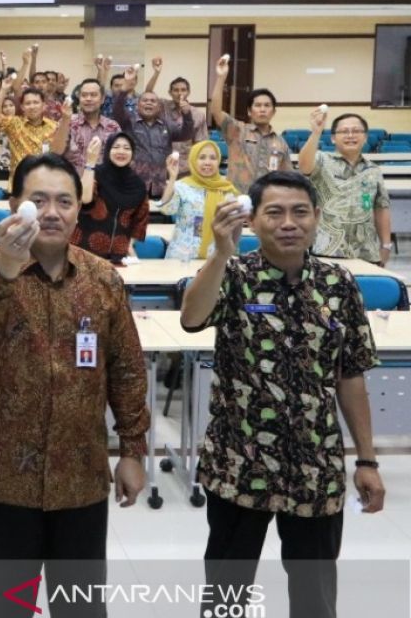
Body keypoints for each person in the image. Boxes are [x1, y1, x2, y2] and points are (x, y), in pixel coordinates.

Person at [179, 171, 386, 618]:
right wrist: (220, 253)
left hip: (315, 466)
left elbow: (351, 375)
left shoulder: (338, 283)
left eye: (300, 212)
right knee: (226, 594)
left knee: (314, 596)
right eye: (274, 212)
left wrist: (367, 460)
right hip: (239, 464)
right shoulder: (233, 273)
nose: (288, 222)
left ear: (317, 217)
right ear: (254, 221)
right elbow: (192, 319)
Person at [0, 153, 149, 618]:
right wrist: (8, 264)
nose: (51, 212)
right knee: (8, 608)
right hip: (5, 477)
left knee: (79, 607)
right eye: (37, 200)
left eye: (64, 201)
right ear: (14, 203)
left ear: (78, 210)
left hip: (80, 476)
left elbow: (125, 366)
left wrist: (132, 450)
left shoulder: (103, 279)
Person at [300, 110, 391, 265]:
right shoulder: (322, 160)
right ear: (333, 138)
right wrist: (316, 133)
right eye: (344, 131)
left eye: (356, 131)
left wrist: (386, 245)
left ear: (365, 137)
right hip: (326, 251)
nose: (350, 135)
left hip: (366, 253)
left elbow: (381, 208)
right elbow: (304, 165)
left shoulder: (374, 170)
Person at [209, 53, 292, 192]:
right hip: (237, 200)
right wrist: (221, 78)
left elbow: (288, 176)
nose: (262, 110)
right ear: (249, 111)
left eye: (267, 106)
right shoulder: (237, 131)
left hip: (266, 202)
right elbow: (216, 111)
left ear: (273, 112)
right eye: (258, 105)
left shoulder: (281, 143)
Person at [112, 67, 194, 198]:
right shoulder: (129, 122)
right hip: (134, 185)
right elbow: (117, 110)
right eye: (145, 101)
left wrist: (187, 115)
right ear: (138, 105)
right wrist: (125, 87)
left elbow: (186, 134)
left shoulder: (166, 124)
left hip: (159, 186)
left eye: (153, 101)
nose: (149, 103)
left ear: (159, 107)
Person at [72, 133, 151, 264]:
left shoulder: (138, 184)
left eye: (127, 148)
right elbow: (84, 199)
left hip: (118, 256)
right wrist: (90, 162)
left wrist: (130, 247)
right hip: (83, 252)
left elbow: (139, 222)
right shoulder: (94, 173)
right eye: (116, 147)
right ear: (108, 150)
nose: (121, 151)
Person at [158, 140, 238, 261]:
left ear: (218, 162)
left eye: (213, 158)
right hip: (182, 257)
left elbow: (233, 227)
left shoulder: (227, 191)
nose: (207, 162)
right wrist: (173, 177)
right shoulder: (181, 186)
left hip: (214, 259)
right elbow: (166, 210)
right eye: (202, 157)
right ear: (194, 161)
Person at [143, 59, 207, 176]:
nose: (179, 93)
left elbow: (200, 144)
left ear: (189, 92)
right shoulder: (162, 107)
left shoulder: (198, 114)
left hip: (186, 167)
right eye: (176, 90)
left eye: (183, 90)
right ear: (170, 92)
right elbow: (148, 93)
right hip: (161, 164)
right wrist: (156, 73)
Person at [53, 79, 121, 172]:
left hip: (104, 183)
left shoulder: (113, 126)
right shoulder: (67, 121)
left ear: (102, 99)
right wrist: (65, 120)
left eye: (93, 95)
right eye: (84, 95)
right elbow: (56, 152)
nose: (88, 99)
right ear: (79, 98)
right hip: (73, 182)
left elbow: (119, 158)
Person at [0, 84, 58, 171]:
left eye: (36, 102)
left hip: (45, 181)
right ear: (22, 107)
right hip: (19, 181)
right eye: (28, 103)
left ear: (44, 106)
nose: (32, 106)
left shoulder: (54, 127)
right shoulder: (14, 123)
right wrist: (3, 90)